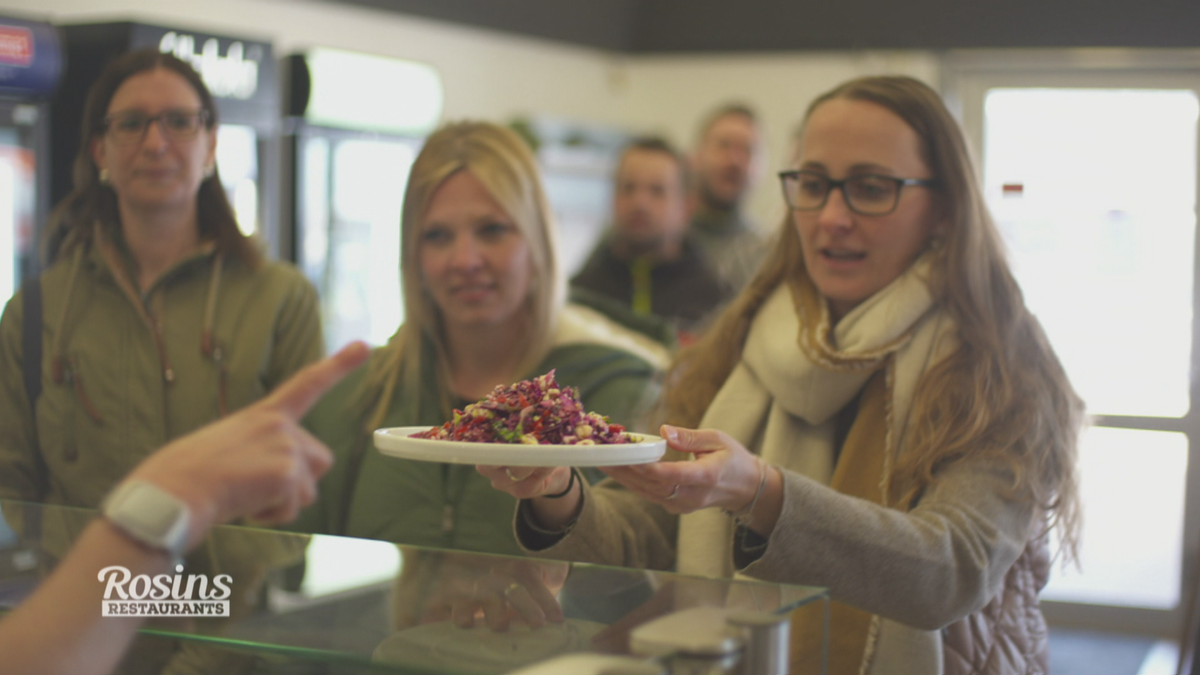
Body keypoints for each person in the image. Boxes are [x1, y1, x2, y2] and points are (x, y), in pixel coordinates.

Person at [482, 76, 1083, 675]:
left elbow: (955, 569)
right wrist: (561, 493)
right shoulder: (745, 336)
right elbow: (659, 532)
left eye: (872, 189)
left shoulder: (999, 361)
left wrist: (763, 494)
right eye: (814, 185)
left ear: (945, 204)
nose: (832, 217)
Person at [289, 121, 668, 555]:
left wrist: (561, 500)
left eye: (492, 230)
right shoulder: (356, 399)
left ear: (537, 242)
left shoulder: (624, 396)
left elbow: (647, 563)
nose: (465, 260)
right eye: (437, 236)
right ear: (412, 255)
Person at [0, 48, 324, 509]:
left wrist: (185, 562)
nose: (155, 143)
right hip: (86, 582)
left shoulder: (280, 299)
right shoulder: (34, 313)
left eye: (179, 121)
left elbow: (304, 486)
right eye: (131, 123)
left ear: (210, 145)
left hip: (222, 583)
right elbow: (10, 491)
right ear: (99, 151)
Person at [0, 341, 369, 675]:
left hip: (221, 630)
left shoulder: (278, 295)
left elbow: (290, 520)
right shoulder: (41, 306)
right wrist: (168, 497)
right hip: (88, 626)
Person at [571, 137, 731, 343]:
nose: (640, 202)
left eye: (657, 191)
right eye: (628, 188)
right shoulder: (580, 297)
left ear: (686, 206)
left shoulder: (717, 304)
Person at [688, 103, 768, 293]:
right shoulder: (660, 241)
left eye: (747, 150)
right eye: (724, 146)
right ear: (697, 157)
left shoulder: (767, 258)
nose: (735, 161)